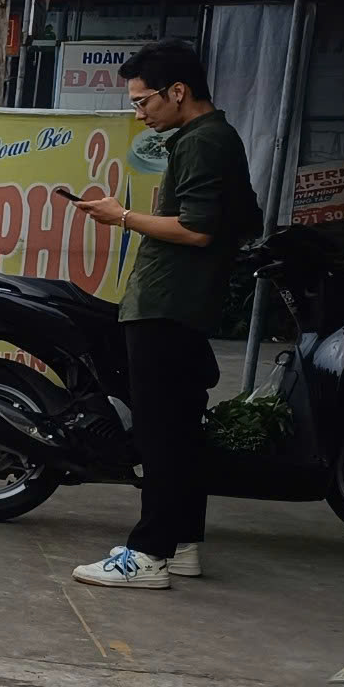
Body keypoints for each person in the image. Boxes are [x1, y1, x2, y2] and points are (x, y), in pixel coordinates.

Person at [67, 39, 260, 589]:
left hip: (166, 305)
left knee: (160, 436)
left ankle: (148, 553)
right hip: (185, 304)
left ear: (178, 92)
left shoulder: (202, 142)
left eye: (143, 100)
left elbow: (196, 230)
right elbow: (239, 220)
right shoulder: (214, 139)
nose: (140, 111)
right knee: (180, 431)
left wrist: (120, 216)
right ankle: (182, 545)